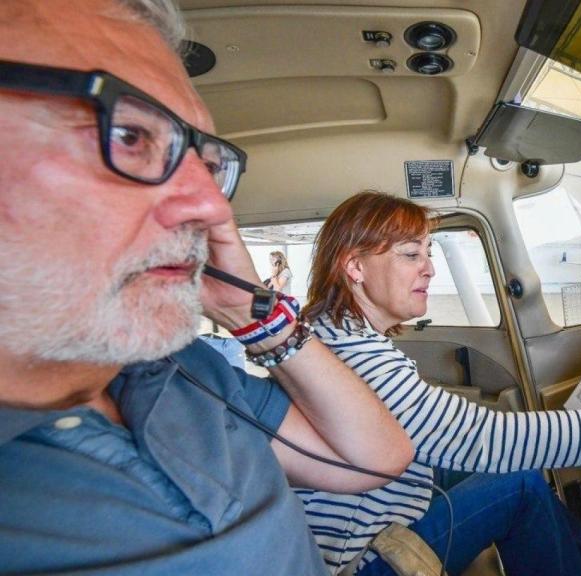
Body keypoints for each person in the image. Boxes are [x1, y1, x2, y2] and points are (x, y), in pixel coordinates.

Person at [0, 2, 414, 574]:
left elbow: (374, 459)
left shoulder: (183, 369)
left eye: (205, 163)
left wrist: (254, 315)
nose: (211, 206)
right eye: (130, 134)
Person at [299, 192, 581, 575]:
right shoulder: (354, 356)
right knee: (517, 479)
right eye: (411, 254)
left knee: (509, 467)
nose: (430, 268)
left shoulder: (334, 334)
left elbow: (448, 433)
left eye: (429, 252)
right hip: (363, 559)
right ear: (354, 266)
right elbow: (484, 437)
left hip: (377, 517)